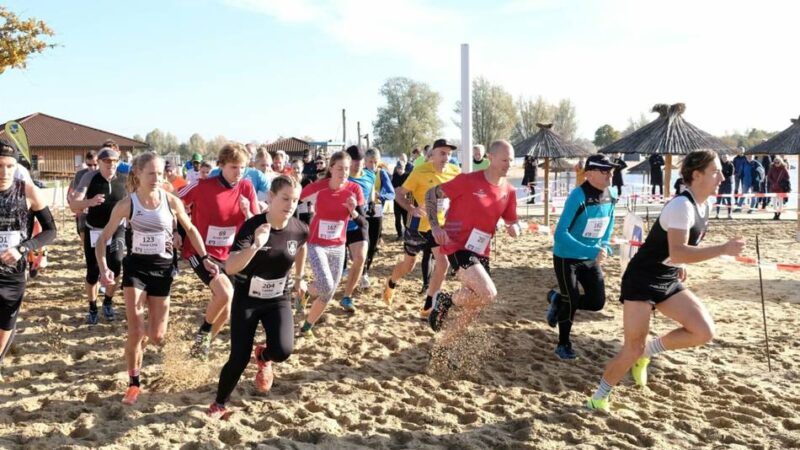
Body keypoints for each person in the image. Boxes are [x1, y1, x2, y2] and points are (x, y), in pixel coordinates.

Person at [586, 150, 745, 412]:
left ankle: (648, 353)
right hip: (641, 280)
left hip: (667, 278)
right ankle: (598, 397)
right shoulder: (681, 205)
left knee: (703, 331)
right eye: (715, 171)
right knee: (631, 348)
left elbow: (678, 252)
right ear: (696, 175)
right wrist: (722, 249)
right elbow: (678, 250)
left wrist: (680, 265)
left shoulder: (704, 205)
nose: (722, 177)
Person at [95, 152, 215, 405]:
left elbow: (191, 229)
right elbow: (103, 239)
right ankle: (134, 383)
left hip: (163, 271)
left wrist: (205, 257)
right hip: (136, 270)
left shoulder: (171, 201)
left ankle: (139, 349)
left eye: (160, 173)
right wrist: (104, 266)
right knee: (136, 331)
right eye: (150, 173)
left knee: (158, 336)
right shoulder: (126, 204)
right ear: (137, 174)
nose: (156, 178)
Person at [207, 176, 308, 419]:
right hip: (248, 299)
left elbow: (302, 245)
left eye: (295, 200)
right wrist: (254, 246)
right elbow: (230, 267)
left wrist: (299, 278)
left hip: (278, 298)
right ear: (271, 197)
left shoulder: (299, 227)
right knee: (239, 358)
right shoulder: (252, 227)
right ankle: (219, 403)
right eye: (285, 198)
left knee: (283, 351)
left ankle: (263, 355)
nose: (290, 205)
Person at [425, 140, 520, 343]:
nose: (508, 164)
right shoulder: (468, 181)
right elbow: (431, 194)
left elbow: (512, 221)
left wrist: (515, 229)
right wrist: (435, 226)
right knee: (488, 293)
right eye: (504, 159)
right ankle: (447, 300)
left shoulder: (509, 191)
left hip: (482, 250)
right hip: (458, 244)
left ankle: (445, 343)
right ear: (490, 158)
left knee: (475, 303)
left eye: (511, 160)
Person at [179, 143, 260, 360]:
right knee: (225, 293)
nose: (238, 172)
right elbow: (173, 201)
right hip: (200, 251)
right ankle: (204, 332)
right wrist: (177, 230)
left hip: (229, 253)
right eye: (234, 167)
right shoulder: (203, 186)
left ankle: (200, 347)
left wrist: (247, 211)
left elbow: (257, 222)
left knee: (226, 308)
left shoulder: (246, 188)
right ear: (221, 165)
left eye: (242, 167)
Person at [545, 154, 617, 359]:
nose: (610, 174)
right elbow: (560, 234)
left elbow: (609, 222)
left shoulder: (611, 193)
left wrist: (603, 245)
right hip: (567, 257)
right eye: (605, 171)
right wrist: (590, 250)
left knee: (597, 302)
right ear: (589, 175)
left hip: (590, 257)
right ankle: (563, 344)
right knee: (572, 298)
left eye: (611, 170)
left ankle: (557, 299)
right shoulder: (578, 195)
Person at [383, 139, 460, 319]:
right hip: (417, 227)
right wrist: (412, 209)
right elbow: (398, 194)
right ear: (432, 155)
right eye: (442, 153)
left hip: (439, 227)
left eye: (449, 154)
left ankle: (428, 305)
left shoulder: (455, 172)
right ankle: (391, 282)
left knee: (443, 263)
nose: (446, 157)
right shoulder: (419, 172)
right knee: (408, 266)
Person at [0, 139, 57, 382]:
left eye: (10, 166)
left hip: (13, 273)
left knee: (5, 325)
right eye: (0, 166)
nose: (4, 172)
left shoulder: (27, 190)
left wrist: (24, 248)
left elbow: (50, 230)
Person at [296, 151, 366, 338]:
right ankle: (306, 295)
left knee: (328, 291)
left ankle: (307, 325)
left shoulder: (354, 190)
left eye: (346, 168)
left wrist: (353, 212)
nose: (343, 172)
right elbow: (296, 200)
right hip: (316, 243)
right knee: (326, 284)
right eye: (339, 168)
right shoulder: (318, 188)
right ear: (331, 168)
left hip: (338, 246)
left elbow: (363, 223)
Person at [70, 147, 128, 324]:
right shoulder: (90, 177)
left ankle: (108, 302)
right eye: (107, 161)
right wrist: (90, 202)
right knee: (93, 271)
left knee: (116, 265)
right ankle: (93, 307)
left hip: (117, 229)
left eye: (114, 161)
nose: (111, 164)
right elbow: (74, 205)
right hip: (94, 229)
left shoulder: (124, 180)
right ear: (100, 162)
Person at [339, 146, 375, 311]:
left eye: (359, 162)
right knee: (335, 268)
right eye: (353, 162)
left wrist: (373, 202)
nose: (356, 165)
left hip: (358, 223)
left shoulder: (370, 175)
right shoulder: (341, 177)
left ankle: (347, 296)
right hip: (339, 226)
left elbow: (371, 191)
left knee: (360, 258)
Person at [363, 149, 395, 284]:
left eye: (376, 162)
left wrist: (380, 196)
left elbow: (391, 193)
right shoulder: (360, 173)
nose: (373, 165)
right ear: (365, 161)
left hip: (376, 211)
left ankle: (365, 270)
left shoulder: (381, 174)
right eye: (370, 162)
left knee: (373, 244)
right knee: (363, 241)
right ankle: (361, 269)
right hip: (362, 211)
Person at [68, 150, 98, 240]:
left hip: (99, 207)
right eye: (89, 165)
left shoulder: (103, 174)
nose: (92, 168)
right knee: (83, 233)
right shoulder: (80, 174)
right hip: (84, 208)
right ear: (86, 163)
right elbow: (75, 193)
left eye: (95, 164)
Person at [392, 161, 410, 239]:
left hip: (405, 200)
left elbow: (410, 188)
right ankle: (399, 234)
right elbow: (392, 187)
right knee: (397, 218)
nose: (399, 170)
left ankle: (406, 234)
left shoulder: (407, 176)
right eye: (398, 168)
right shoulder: (395, 175)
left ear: (404, 168)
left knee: (406, 219)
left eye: (401, 168)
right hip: (396, 201)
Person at [715, 153, 734, 219]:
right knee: (718, 199)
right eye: (723, 157)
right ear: (721, 158)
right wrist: (724, 174)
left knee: (729, 199)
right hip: (720, 183)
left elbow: (731, 173)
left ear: (728, 158)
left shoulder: (730, 164)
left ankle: (729, 214)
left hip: (728, 183)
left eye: (726, 157)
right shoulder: (719, 164)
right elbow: (717, 173)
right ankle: (717, 214)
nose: (725, 158)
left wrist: (723, 174)